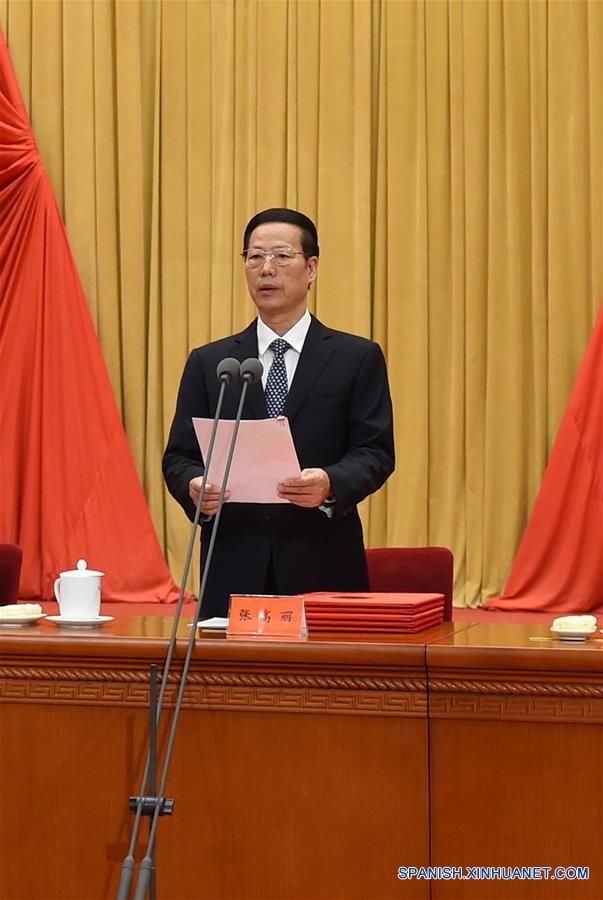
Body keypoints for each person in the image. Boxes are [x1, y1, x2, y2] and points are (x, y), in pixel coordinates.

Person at [162, 208, 395, 617]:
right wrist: (194, 486)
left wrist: (330, 483)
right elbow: (179, 457)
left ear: (311, 268)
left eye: (282, 256)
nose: (266, 269)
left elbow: (375, 452)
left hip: (322, 560)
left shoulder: (356, 358)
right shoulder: (213, 363)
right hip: (233, 564)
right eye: (255, 257)